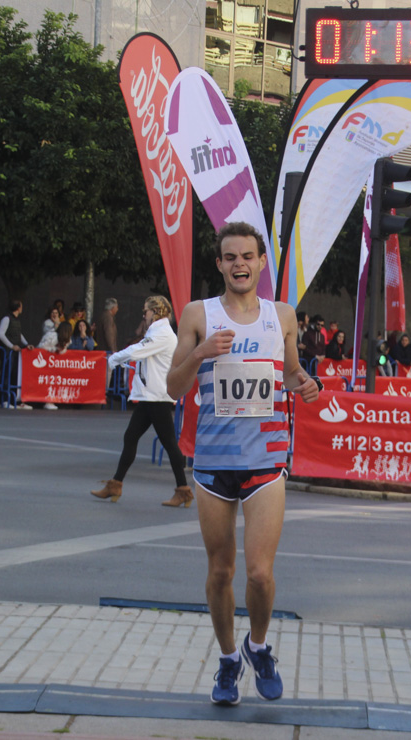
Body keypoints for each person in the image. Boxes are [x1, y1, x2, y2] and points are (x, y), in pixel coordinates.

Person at [165, 221, 320, 707]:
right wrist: (203, 353)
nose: (239, 264)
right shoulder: (198, 314)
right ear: (219, 264)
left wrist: (305, 383)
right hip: (212, 462)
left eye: (247, 256)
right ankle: (229, 659)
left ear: (259, 263)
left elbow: (290, 370)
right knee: (220, 573)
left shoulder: (282, 316)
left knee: (259, 575)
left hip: (266, 459)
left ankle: (258, 646)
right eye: (230, 257)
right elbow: (172, 386)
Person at [91, 295, 189, 501]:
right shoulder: (157, 332)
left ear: (156, 312)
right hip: (151, 396)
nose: (143, 315)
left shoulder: (162, 334)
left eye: (146, 311)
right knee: (132, 437)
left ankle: (183, 490)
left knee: (169, 443)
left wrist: (115, 358)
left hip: (157, 396)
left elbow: (138, 350)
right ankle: (116, 484)